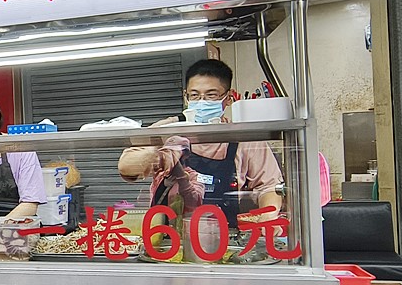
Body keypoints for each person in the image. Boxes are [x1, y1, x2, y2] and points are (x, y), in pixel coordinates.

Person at [117, 59, 284, 223]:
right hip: (166, 239)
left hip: (222, 237)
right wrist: (166, 126)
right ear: (186, 97)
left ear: (228, 98)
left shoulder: (242, 138)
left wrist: (268, 216)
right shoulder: (170, 136)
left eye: (211, 95)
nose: (202, 102)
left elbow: (269, 187)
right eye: (195, 96)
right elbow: (127, 167)